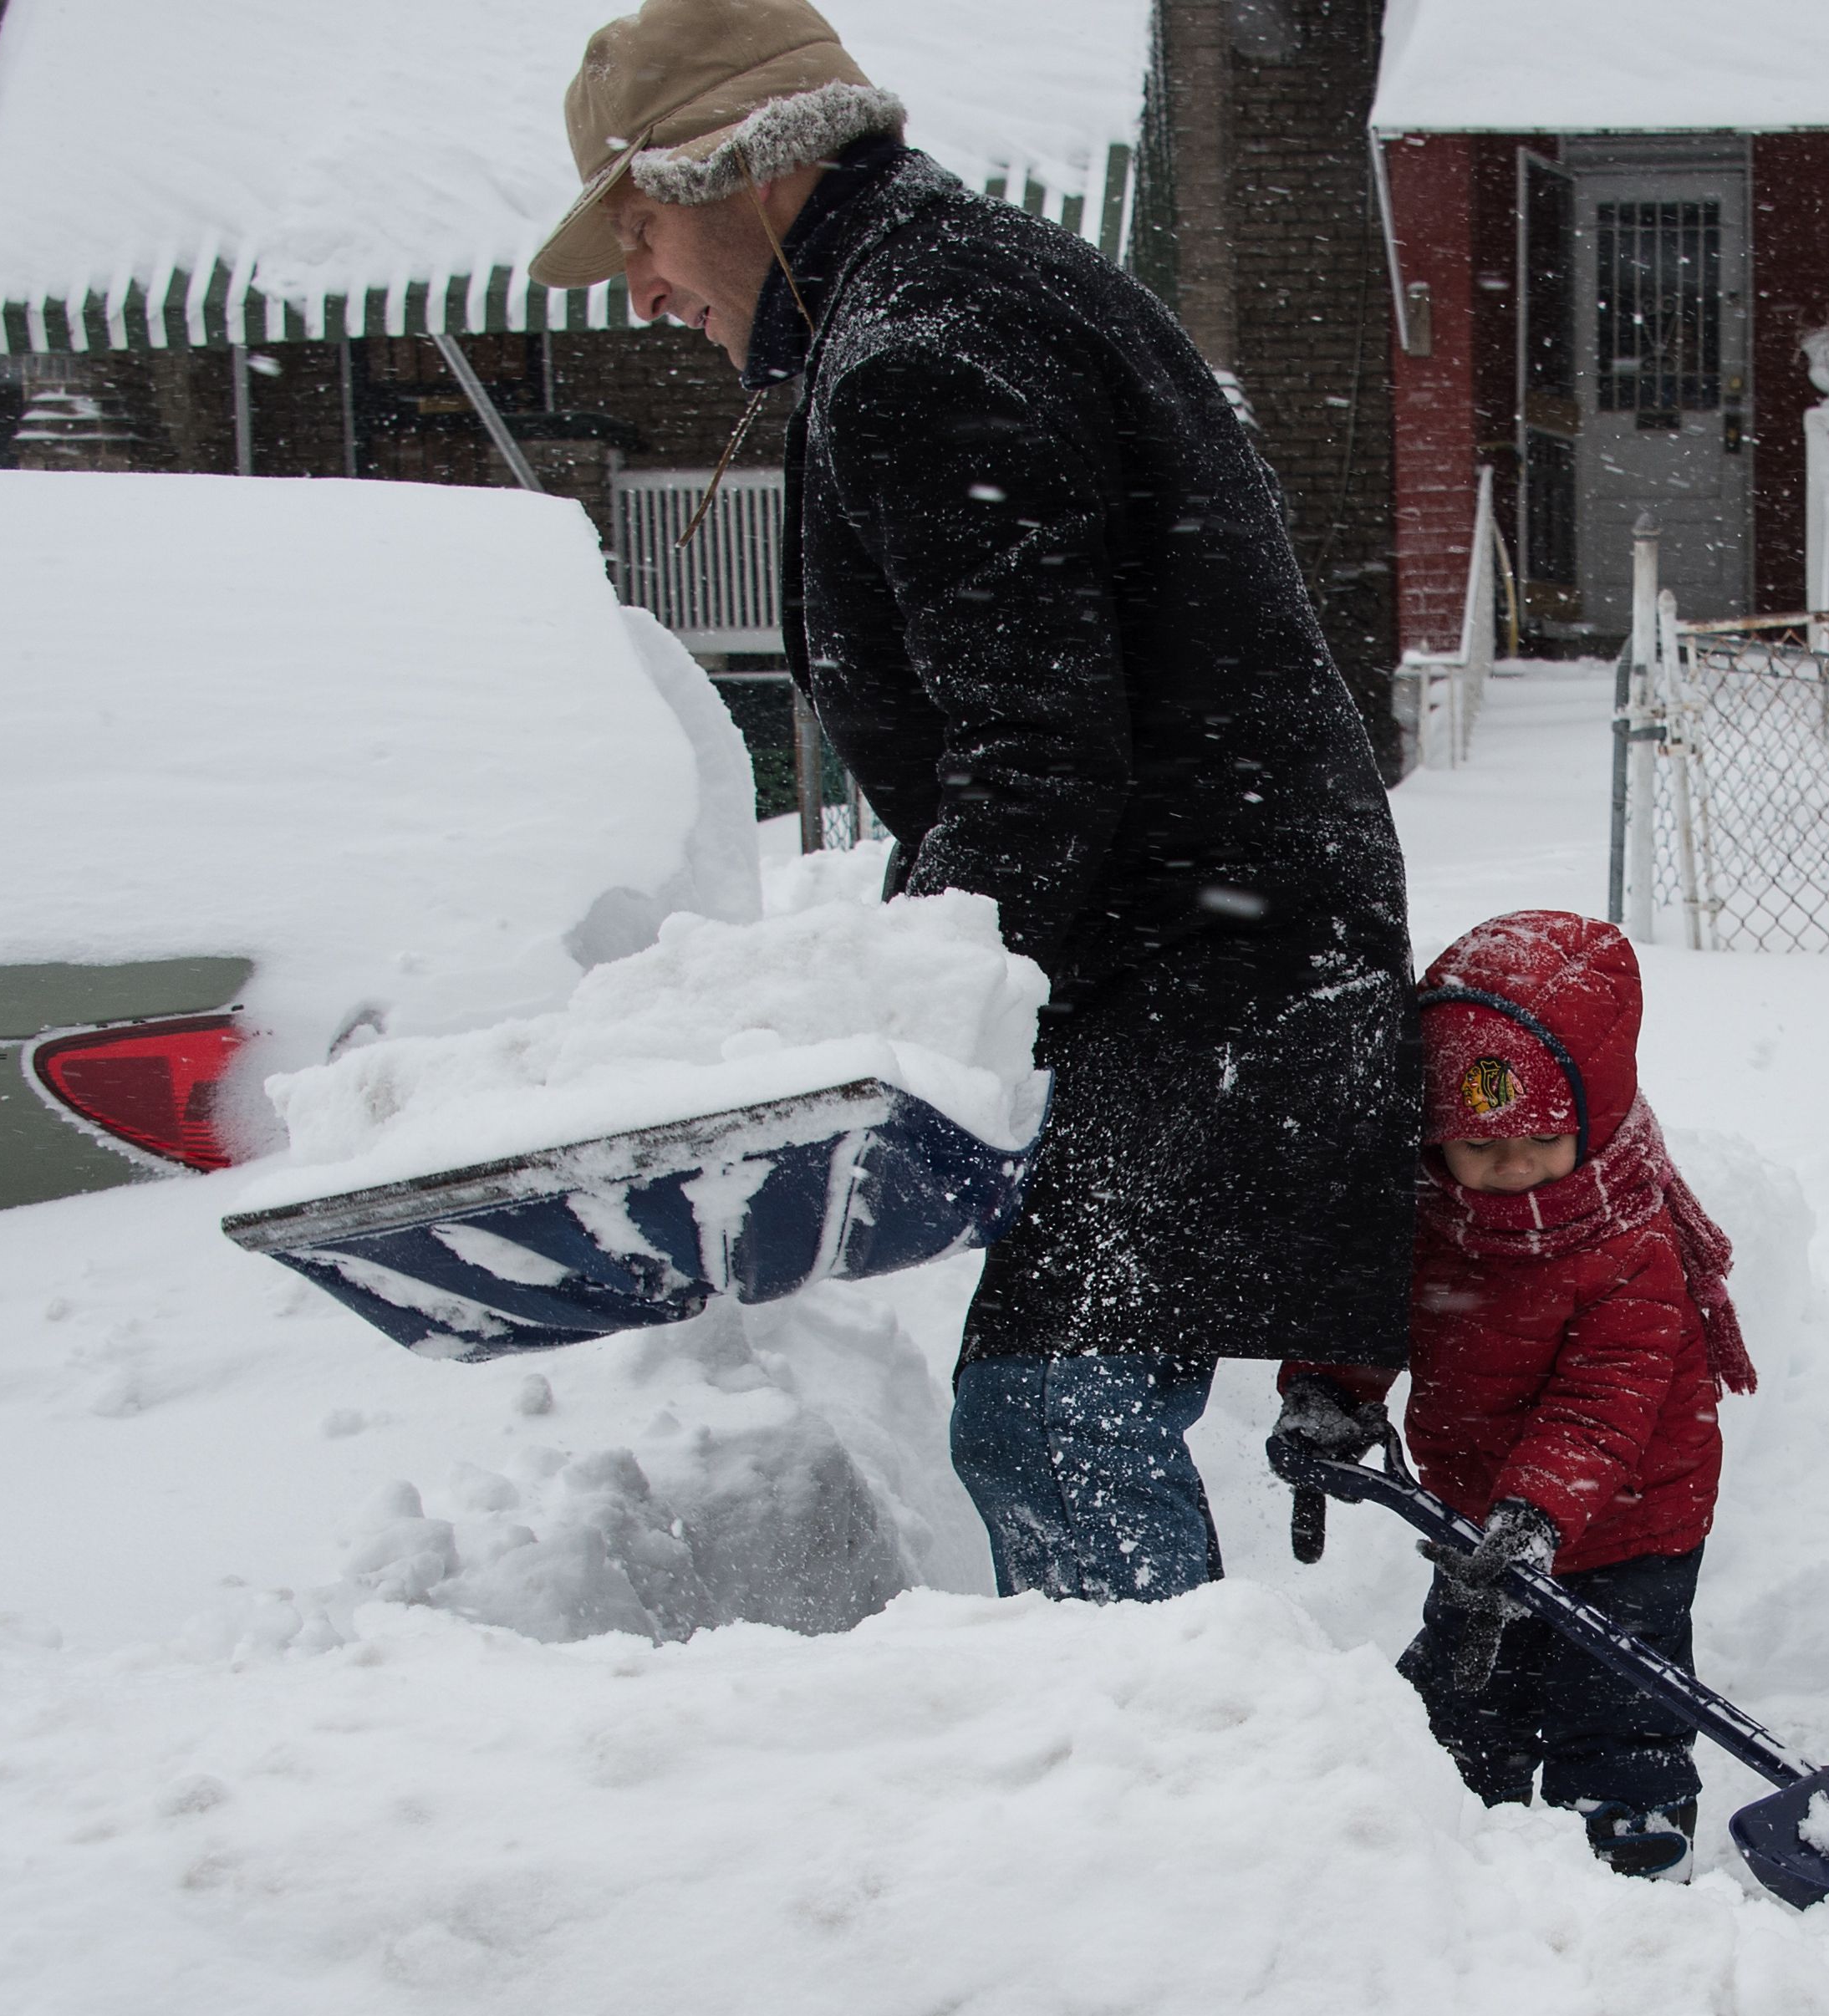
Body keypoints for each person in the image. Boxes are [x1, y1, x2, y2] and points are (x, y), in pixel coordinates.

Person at [528, 0, 1416, 1602]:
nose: (644, 288)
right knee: (1057, 1397)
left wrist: (901, 1014)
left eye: (641, 228)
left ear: (739, 170)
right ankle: (1175, 1760)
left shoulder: (917, 349)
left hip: (1200, 967)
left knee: (1050, 1406)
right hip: (1231, 942)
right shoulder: (963, 283)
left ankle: (1156, 1783)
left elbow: (1035, 754)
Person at [1269, 911, 1759, 1879]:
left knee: (1614, 1697)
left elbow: (1603, 1399)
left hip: (1626, 1516)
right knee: (1466, 1693)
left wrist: (1537, 1512)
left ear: (1594, 1110)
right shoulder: (1433, 1217)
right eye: (1475, 1142)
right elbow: (1374, 1310)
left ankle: (1629, 1841)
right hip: (1476, 1517)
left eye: (1541, 1136)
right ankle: (1461, 1852)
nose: (1510, 1166)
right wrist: (1329, 1388)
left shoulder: (1630, 1242)